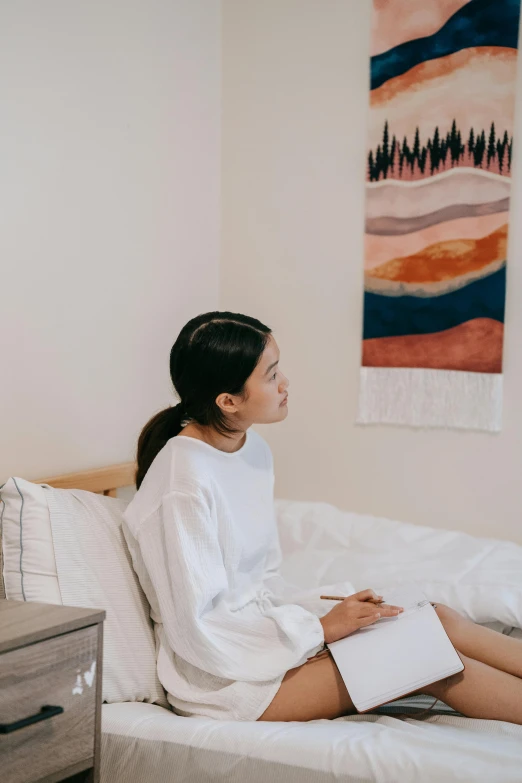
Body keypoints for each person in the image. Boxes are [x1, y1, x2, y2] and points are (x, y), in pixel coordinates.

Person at [122, 311, 522, 723]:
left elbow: (262, 581)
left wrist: (324, 614)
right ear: (228, 401)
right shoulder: (181, 482)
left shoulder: (251, 449)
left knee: (434, 615)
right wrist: (322, 630)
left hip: (264, 643)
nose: (285, 383)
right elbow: (199, 629)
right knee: (425, 657)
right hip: (226, 681)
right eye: (271, 374)